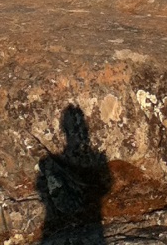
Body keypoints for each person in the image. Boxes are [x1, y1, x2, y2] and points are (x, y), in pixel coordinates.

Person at [36, 104, 112, 244]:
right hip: (74, 228)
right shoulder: (56, 165)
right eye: (74, 130)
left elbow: (104, 187)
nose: (76, 135)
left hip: (83, 227)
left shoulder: (93, 161)